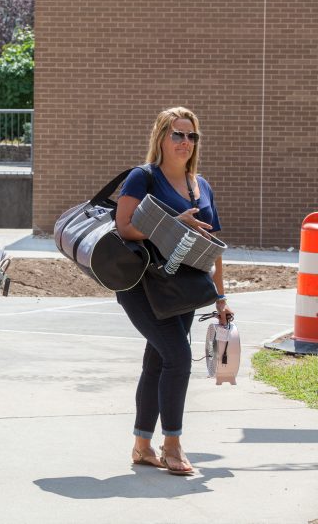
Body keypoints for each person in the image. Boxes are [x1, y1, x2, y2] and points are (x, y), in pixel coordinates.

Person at [115, 106, 232, 476]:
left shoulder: (203, 185)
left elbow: (213, 249)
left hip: (183, 288)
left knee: (158, 361)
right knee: (178, 358)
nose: (185, 142)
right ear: (161, 137)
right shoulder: (143, 177)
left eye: (191, 135)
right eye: (177, 134)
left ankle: (141, 445)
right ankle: (173, 444)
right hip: (143, 286)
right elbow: (125, 227)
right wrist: (171, 224)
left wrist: (221, 297)